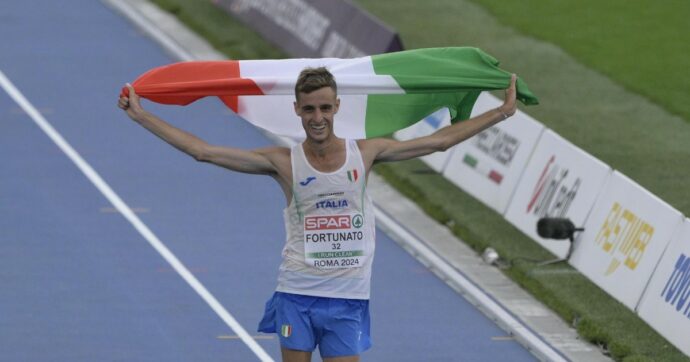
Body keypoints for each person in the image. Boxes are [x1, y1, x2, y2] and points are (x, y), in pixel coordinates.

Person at [118, 67, 517, 362]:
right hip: (298, 295)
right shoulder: (282, 162)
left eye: (325, 107)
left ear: (337, 107)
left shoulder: (367, 153)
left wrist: (501, 112)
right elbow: (202, 152)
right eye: (309, 109)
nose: (318, 117)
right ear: (297, 110)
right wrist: (141, 116)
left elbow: (439, 141)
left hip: (348, 300)